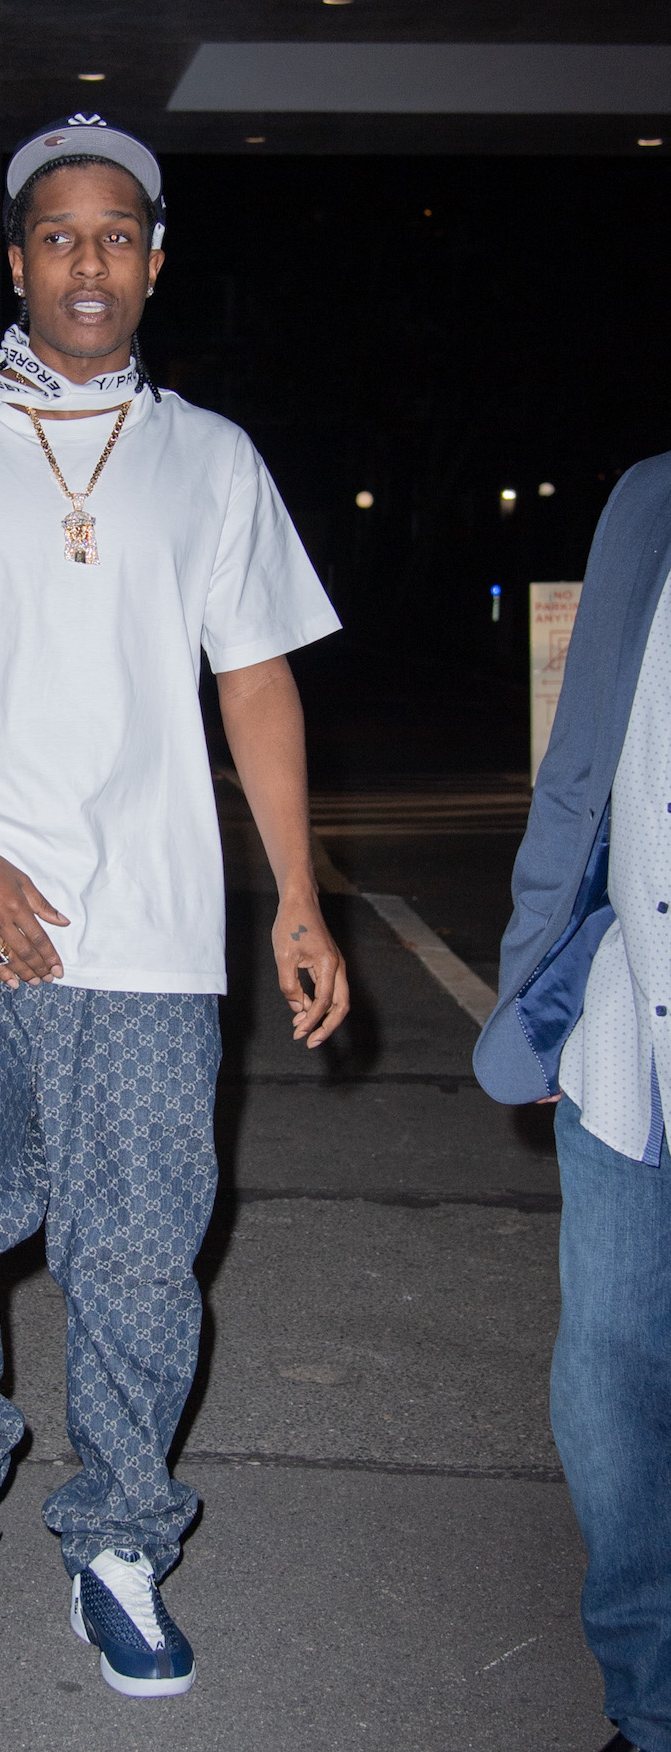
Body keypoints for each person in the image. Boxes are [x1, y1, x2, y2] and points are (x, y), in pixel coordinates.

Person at [0, 113, 347, 1698]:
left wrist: (299, 899)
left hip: (153, 921)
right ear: (18, 261)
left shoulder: (212, 460)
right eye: (57, 235)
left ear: (155, 262)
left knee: (138, 1251)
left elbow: (256, 681)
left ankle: (117, 1538)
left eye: (116, 234)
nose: (87, 260)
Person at [474, 452, 671, 1752]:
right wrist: (531, 984)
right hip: (627, 1042)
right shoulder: (648, 500)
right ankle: (650, 1707)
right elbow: (581, 769)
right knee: (607, 1391)